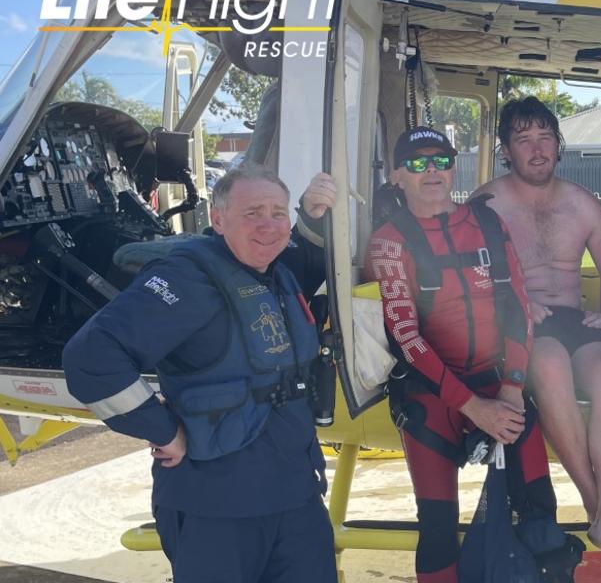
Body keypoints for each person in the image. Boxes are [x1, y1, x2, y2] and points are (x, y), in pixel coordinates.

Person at [63, 164, 340, 583]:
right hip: (218, 506)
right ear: (218, 219)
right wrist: (159, 429)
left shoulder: (278, 275)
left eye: (278, 213)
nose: (268, 226)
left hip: (295, 497)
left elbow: (304, 259)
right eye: (252, 213)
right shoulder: (187, 279)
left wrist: (312, 213)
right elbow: (91, 356)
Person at [365, 126, 563, 583]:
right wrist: (475, 408)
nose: (431, 171)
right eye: (417, 163)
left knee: (539, 512)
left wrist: (513, 389)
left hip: (500, 383)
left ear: (455, 167)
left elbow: (518, 307)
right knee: (436, 526)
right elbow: (405, 338)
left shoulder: (489, 223)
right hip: (431, 394)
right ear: (398, 176)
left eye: (441, 160)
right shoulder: (389, 241)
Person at [472, 96, 601, 575]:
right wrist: (516, 304)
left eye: (545, 137)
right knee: (548, 362)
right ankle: (600, 510)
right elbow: (470, 277)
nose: (537, 148)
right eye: (524, 140)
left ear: (558, 144)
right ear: (507, 150)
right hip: (517, 324)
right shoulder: (487, 201)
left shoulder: (581, 201)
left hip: (571, 316)